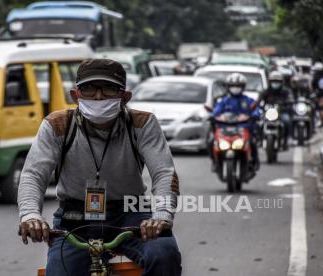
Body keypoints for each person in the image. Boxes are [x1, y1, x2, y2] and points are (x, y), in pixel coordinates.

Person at [17, 58, 182, 276]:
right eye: (88, 88)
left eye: (108, 89)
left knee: (164, 255)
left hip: (132, 213)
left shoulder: (142, 124)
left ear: (125, 97)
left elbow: (164, 174)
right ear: (75, 95)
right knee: (58, 271)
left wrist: (161, 216)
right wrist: (30, 216)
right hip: (74, 217)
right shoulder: (57, 125)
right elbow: (33, 175)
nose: (98, 96)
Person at [212, 73, 261, 170]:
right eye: (233, 86)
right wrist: (213, 116)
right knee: (211, 142)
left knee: (252, 143)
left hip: (244, 128)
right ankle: (215, 162)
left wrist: (254, 115)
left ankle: (254, 161)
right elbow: (215, 112)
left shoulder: (248, 100)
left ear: (243, 87)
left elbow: (256, 110)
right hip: (225, 128)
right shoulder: (224, 101)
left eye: (238, 86)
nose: (235, 88)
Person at [258, 71, 294, 149]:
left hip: (281, 112)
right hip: (268, 113)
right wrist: (260, 106)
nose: (275, 83)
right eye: (273, 81)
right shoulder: (266, 91)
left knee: (287, 121)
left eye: (277, 82)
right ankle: (259, 140)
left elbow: (290, 100)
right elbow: (259, 101)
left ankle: (287, 140)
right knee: (259, 123)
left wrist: (287, 105)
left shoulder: (286, 91)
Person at [312, 62, 323, 126]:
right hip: (321, 94)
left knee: (321, 108)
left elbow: (313, 87)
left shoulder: (316, 77)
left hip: (321, 95)